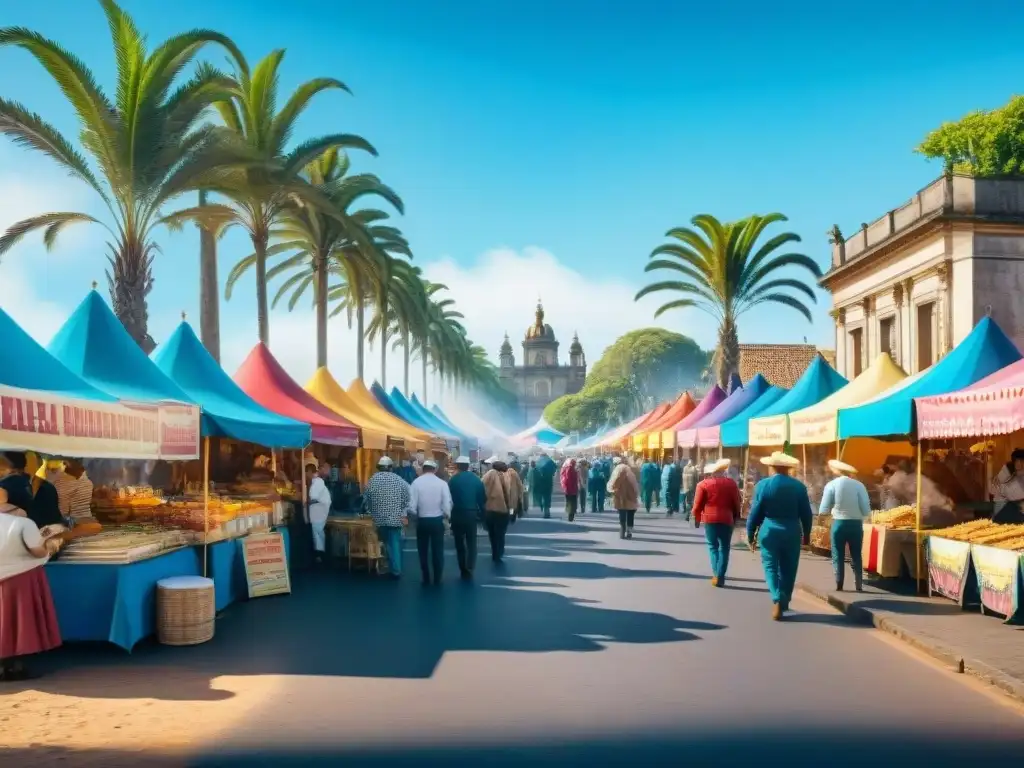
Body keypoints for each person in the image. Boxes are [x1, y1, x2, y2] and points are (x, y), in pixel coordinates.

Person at [0, 488, 62, 681]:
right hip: (21, 577)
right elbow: (39, 552)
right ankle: (17, 666)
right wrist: (53, 544)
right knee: (20, 622)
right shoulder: (23, 523)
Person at [746, 452, 813, 620]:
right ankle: (784, 600)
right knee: (789, 568)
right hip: (792, 531)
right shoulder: (799, 487)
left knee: (770, 566)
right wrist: (807, 535)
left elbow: (755, 513)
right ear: (788, 469)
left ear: (772, 467)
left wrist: (750, 533)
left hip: (769, 530)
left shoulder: (763, 485)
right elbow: (807, 514)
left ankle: (776, 596)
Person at [819, 459, 870, 592]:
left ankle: (839, 582)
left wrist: (823, 518)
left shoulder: (831, 484)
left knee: (838, 553)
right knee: (856, 554)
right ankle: (858, 583)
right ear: (850, 473)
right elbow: (866, 509)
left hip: (838, 523)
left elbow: (823, 508)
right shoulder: (859, 485)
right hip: (855, 524)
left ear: (836, 472)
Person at [692, 458, 741, 587]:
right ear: (722, 471)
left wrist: (696, 518)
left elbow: (697, 505)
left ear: (711, 473)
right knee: (725, 548)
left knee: (713, 547)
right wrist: (736, 517)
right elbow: (737, 503)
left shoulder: (702, 485)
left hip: (710, 520)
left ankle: (716, 574)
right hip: (727, 519)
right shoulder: (731, 484)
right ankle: (721, 575)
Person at [363, 457, 411, 579]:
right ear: (390, 467)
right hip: (395, 519)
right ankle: (396, 570)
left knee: (384, 543)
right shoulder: (399, 480)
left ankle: (386, 566)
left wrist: (371, 510)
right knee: (394, 543)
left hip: (379, 519)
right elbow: (408, 496)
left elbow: (367, 499)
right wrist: (402, 511)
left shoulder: (372, 480)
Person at [409, 459, 452, 585]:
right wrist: (447, 516)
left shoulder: (416, 483)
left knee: (422, 550)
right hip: (437, 521)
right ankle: (437, 577)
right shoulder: (442, 483)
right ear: (435, 469)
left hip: (422, 521)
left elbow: (411, 506)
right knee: (437, 550)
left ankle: (425, 576)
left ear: (423, 469)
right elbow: (447, 503)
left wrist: (416, 516)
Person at [448, 456, 485, 580]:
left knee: (459, 542)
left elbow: (448, 499)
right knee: (471, 541)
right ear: (468, 466)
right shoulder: (476, 479)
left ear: (458, 466)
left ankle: (462, 566)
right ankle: (470, 566)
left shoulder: (453, 480)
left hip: (457, 514)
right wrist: (483, 514)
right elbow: (482, 498)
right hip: (471, 514)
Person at [482, 456, 513, 562]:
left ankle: (495, 551)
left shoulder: (489, 474)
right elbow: (513, 495)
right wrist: (512, 512)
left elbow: (482, 488)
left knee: (492, 533)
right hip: (504, 510)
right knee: (501, 533)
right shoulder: (509, 475)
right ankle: (500, 551)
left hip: (490, 509)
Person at [305, 460, 333, 564]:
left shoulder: (317, 482)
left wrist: (306, 501)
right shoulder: (316, 482)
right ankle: (320, 555)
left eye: (306, 473)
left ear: (309, 472)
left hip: (319, 510)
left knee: (317, 532)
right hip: (318, 510)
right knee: (318, 532)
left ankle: (320, 556)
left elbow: (313, 498)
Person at [608, 456, 640, 539]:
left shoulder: (617, 470)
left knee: (622, 513)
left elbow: (612, 482)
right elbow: (635, 484)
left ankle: (622, 527)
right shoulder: (631, 470)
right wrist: (636, 494)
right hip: (631, 495)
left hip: (620, 496)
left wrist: (611, 490)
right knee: (630, 513)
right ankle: (629, 530)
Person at [990, 449, 1024, 522]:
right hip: (1004, 509)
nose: (1019, 463)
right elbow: (995, 490)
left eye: (1021, 461)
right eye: (1017, 461)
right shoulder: (1007, 472)